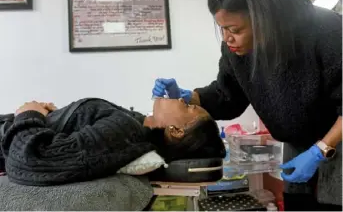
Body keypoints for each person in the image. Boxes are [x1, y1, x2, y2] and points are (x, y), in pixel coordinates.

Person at [152, 0, 342, 210]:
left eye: (234, 29)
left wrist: (321, 149)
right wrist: (189, 96)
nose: (227, 38)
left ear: (267, 17)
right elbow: (227, 96)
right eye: (222, 28)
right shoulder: (236, 51)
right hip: (299, 146)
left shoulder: (328, 32)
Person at [0, 98, 225, 186]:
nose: (181, 99)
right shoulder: (135, 125)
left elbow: (34, 159)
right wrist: (57, 118)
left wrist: (29, 114)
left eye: (187, 106)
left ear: (176, 131)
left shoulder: (126, 133)